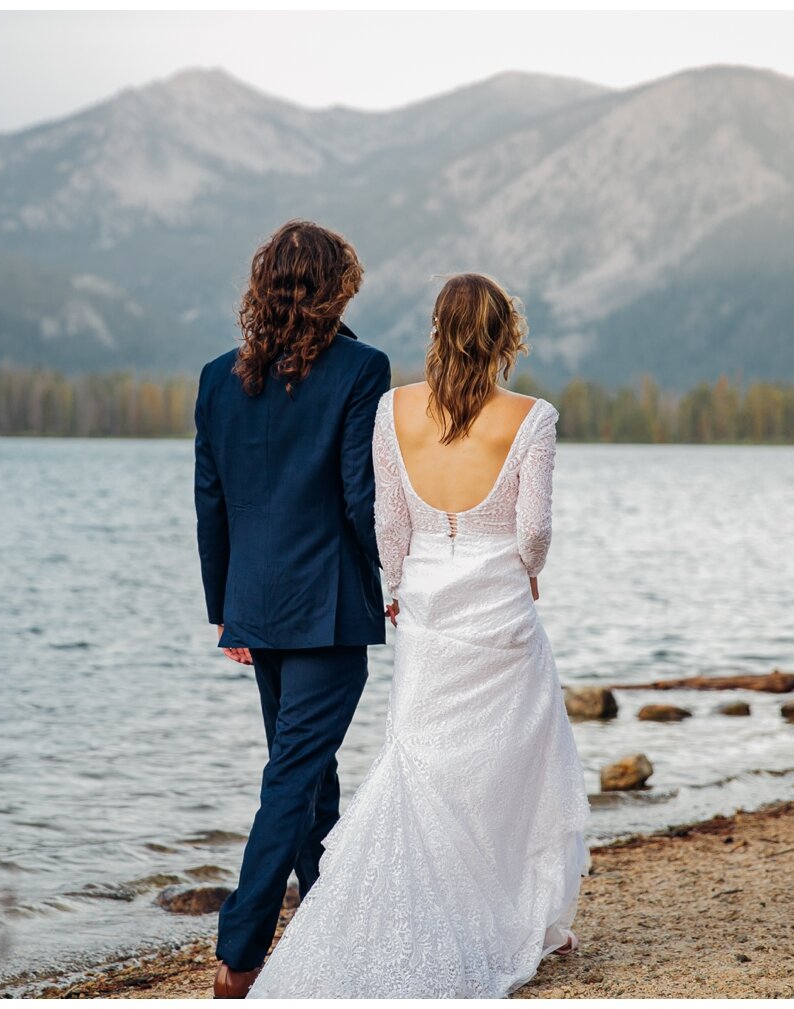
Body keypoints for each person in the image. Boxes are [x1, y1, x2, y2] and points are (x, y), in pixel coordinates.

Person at [246, 273, 590, 998]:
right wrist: (527, 573)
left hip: (428, 605)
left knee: (424, 758)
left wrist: (398, 586)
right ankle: (514, 911)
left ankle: (419, 908)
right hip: (499, 604)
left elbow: (389, 523)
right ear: (505, 336)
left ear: (436, 331)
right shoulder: (533, 417)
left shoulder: (392, 409)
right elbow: (534, 529)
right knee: (511, 761)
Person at [193, 219, 392, 998]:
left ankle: (328, 923)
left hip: (258, 607)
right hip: (329, 608)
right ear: (336, 286)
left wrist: (225, 609)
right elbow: (360, 497)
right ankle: (240, 954)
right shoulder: (361, 368)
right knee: (295, 775)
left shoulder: (216, 377)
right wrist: (405, 576)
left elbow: (209, 505)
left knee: (309, 774)